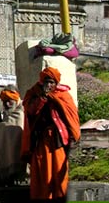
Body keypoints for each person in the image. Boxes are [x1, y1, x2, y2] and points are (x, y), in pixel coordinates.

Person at [21, 67, 81, 203]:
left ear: (56, 83)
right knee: (42, 173)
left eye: (52, 82)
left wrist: (73, 136)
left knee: (59, 172)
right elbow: (30, 111)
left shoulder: (63, 95)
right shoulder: (34, 94)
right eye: (46, 82)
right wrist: (42, 97)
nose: (49, 85)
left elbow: (71, 117)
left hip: (58, 141)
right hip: (41, 141)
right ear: (42, 82)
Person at [0, 84, 27, 186]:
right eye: (5, 101)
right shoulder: (7, 116)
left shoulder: (22, 113)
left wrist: (0, 128)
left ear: (16, 99)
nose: (7, 104)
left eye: (10, 100)